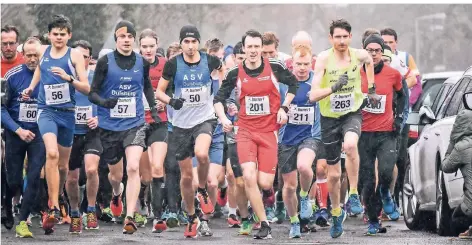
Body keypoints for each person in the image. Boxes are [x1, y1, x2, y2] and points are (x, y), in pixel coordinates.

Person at [214, 29, 298, 239]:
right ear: (244, 48)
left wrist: (284, 108)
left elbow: (294, 84)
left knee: (265, 183)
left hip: (269, 131)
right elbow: (218, 99)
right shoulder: (235, 72)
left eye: (256, 47)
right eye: (249, 47)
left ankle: (267, 194)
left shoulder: (275, 68)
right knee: (248, 176)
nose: (252, 51)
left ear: (262, 48)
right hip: (246, 131)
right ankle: (264, 223)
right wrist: (224, 119)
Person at [88, 20, 162, 234]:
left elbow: (146, 86)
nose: (127, 40)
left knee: (133, 167)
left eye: (130, 37)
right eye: (122, 37)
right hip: (110, 126)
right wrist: (104, 103)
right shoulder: (105, 62)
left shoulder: (141, 62)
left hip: (135, 123)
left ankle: (129, 216)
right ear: (116, 39)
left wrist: (154, 112)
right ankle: (115, 193)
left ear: (134, 40)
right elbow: (92, 93)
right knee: (116, 175)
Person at [308, 19, 380, 238]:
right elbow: (312, 95)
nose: (341, 41)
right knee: (333, 175)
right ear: (331, 39)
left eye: (344, 37)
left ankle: (355, 193)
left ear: (350, 37)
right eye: (336, 37)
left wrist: (372, 87)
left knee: (350, 145)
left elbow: (369, 61)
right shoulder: (322, 59)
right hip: (329, 118)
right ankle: (337, 212)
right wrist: (333, 87)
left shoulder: (358, 55)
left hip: (352, 112)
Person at [22, 15, 91, 235]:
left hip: (67, 114)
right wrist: (31, 88)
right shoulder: (43, 51)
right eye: (55, 34)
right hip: (46, 111)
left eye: (63, 34)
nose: (59, 37)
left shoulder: (75, 55)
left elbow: (86, 88)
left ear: (69, 35)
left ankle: (59, 196)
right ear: (49, 35)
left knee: (63, 166)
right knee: (50, 154)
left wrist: (68, 78)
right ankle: (52, 206)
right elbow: (40, 72)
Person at [154, 25, 225, 238]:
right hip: (180, 125)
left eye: (194, 42)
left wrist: (219, 92)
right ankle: (193, 217)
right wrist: (171, 100)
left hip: (204, 119)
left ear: (198, 43)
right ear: (182, 43)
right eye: (187, 42)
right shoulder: (173, 65)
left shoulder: (209, 61)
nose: (191, 46)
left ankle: (202, 190)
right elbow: (159, 91)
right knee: (185, 177)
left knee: (203, 154)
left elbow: (223, 72)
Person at [359, 34, 405, 235]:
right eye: (370, 50)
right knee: (367, 180)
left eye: (377, 50)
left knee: (386, 173)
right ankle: (373, 219)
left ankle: (385, 192)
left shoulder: (393, 74)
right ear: (364, 52)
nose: (374, 54)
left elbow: (403, 96)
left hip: (386, 132)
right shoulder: (354, 74)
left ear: (382, 52)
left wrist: (399, 119)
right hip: (363, 134)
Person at [278, 44, 324, 238]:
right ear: (292, 64)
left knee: (304, 167)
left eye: (306, 64)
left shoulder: (317, 82)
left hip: (310, 135)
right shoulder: (283, 84)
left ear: (311, 63)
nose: (302, 68)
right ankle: (294, 221)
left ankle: (305, 197)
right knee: (288, 186)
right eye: (299, 64)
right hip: (286, 138)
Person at [1, 37, 44, 238]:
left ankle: (23, 221)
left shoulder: (50, 76)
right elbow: (1, 108)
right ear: (23, 55)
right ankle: (7, 206)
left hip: (39, 134)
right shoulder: (12, 76)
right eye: (29, 55)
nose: (33, 59)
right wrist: (18, 130)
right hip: (16, 133)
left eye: (36, 55)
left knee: (34, 176)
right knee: (14, 179)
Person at [136, 29, 170, 233]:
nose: (148, 50)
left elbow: (174, 89)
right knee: (145, 176)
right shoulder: (132, 65)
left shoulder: (166, 65)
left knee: (158, 168)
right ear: (139, 47)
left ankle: (158, 217)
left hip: (160, 121)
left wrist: (165, 101)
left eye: (151, 46)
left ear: (157, 46)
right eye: (145, 46)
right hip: (138, 122)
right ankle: (141, 198)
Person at [66, 40, 102, 233]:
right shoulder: (63, 79)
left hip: (91, 134)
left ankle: (90, 209)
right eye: (77, 56)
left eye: (85, 56)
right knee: (71, 179)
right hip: (70, 134)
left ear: (90, 59)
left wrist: (98, 118)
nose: (81, 60)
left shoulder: (96, 78)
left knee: (91, 169)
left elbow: (109, 103)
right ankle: (74, 213)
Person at [441, 93, 472, 239]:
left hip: (470, 208)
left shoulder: (462, 147)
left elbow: (446, 167)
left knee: (455, 220)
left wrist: (452, 142)